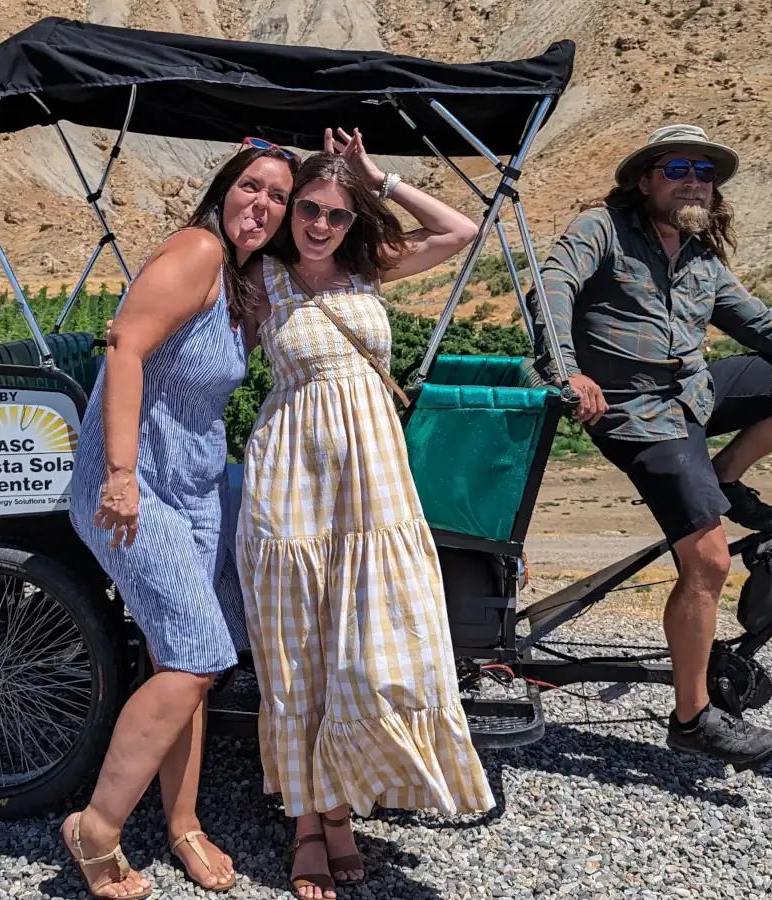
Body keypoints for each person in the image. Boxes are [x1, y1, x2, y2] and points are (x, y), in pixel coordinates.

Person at [531, 123, 772, 768]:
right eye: (679, 167)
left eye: (705, 173)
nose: (694, 181)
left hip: (693, 393)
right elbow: (552, 286)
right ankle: (692, 716)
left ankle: (726, 476)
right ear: (646, 178)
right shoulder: (604, 229)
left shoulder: (703, 259)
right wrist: (566, 368)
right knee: (708, 560)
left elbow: (762, 324)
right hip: (635, 410)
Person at [237, 129, 496, 900]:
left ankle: (345, 801)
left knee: (368, 646)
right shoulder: (263, 281)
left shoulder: (367, 270)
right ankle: (313, 821)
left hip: (374, 488)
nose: (319, 224)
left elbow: (461, 231)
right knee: (297, 652)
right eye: (308, 209)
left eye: (336, 214)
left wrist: (376, 177)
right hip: (290, 482)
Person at [61, 139, 299, 899]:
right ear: (223, 190)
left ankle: (184, 822)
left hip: (196, 489)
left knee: (186, 663)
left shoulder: (246, 279)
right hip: (136, 487)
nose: (261, 205)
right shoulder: (198, 250)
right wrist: (123, 476)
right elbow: (125, 345)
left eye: (278, 197)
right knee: (198, 654)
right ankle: (95, 828)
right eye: (250, 187)